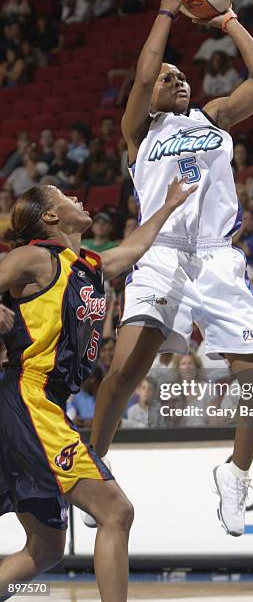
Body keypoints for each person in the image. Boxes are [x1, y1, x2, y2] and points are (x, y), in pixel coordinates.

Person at [89, 0, 253, 538]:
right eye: (167, 76)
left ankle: (236, 472)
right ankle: (91, 467)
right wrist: (168, 11)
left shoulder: (213, 117)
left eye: (182, 75)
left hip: (217, 257)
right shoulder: (138, 134)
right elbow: (145, 71)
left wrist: (228, 21)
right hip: (159, 253)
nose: (177, 79)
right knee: (125, 371)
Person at [0, 176, 195, 601]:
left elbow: (135, 247)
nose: (76, 197)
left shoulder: (89, 264)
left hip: (38, 404)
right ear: (50, 217)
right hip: (30, 398)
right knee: (116, 511)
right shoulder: (32, 257)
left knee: (46, 549)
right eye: (64, 197)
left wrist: (168, 204)